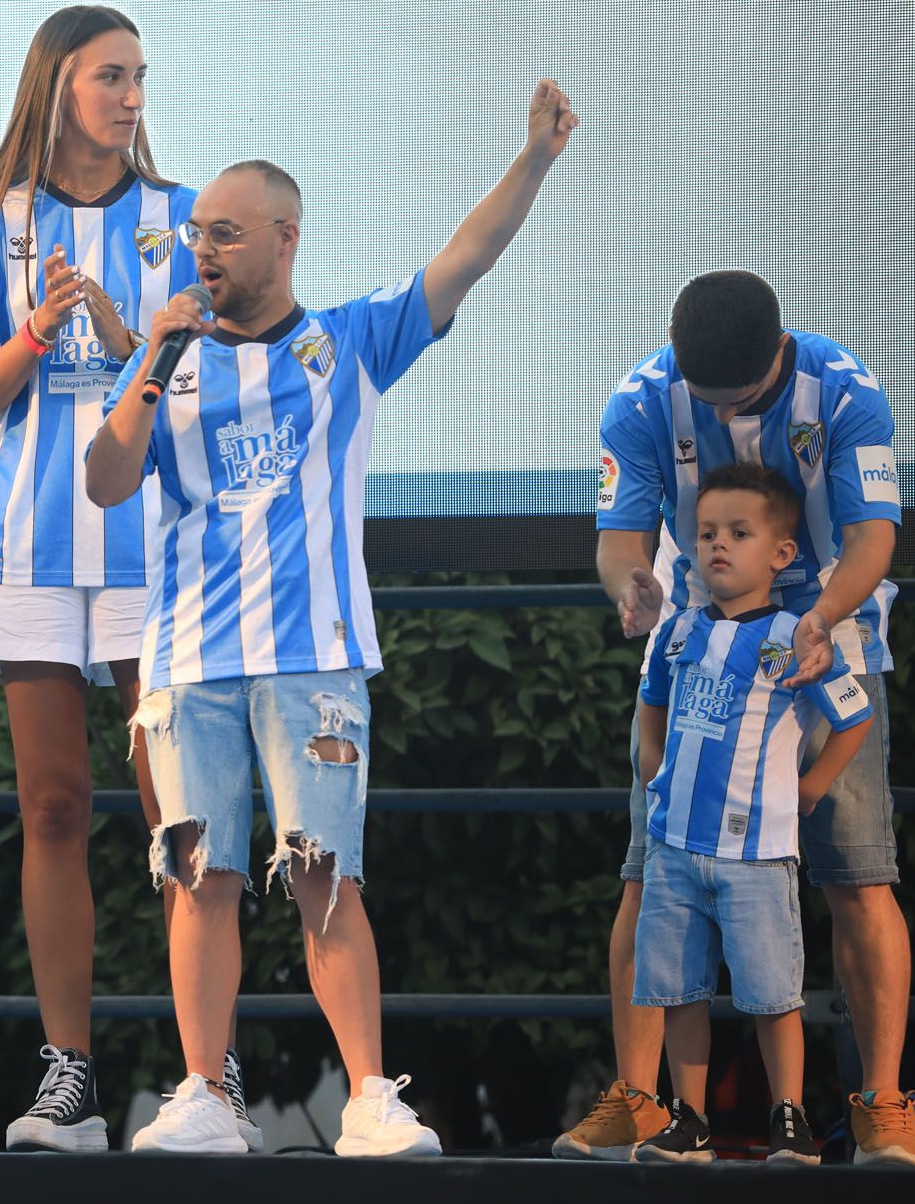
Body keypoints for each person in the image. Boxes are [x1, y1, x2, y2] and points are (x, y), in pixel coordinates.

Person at [87, 79, 578, 1155]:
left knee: (321, 873)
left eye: (223, 232)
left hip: (311, 657)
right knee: (200, 880)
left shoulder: (346, 343)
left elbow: (464, 257)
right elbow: (105, 479)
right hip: (185, 661)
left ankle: (368, 1094)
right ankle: (204, 1095)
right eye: (193, 233)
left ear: (283, 236)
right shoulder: (162, 357)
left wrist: (534, 157)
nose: (201, 249)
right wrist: (151, 355)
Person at [0, 4, 234, 1152]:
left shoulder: (180, 220)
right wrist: (36, 330)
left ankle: (206, 1076)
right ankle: (69, 1077)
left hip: (150, 546)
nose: (129, 97)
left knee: (177, 813)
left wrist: (123, 339)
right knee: (51, 806)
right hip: (22, 538)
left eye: (139, 78)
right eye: (110, 75)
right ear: (55, 83)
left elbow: (206, 384)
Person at [557, 269, 915, 1168]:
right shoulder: (642, 397)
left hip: (828, 643)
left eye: (740, 399)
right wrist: (630, 585)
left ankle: (880, 1103)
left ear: (775, 359)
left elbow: (874, 538)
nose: (717, 412)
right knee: (649, 878)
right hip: (701, 660)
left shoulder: (845, 387)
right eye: (703, 399)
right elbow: (619, 537)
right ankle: (642, 1103)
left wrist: (821, 621)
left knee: (858, 877)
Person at [629, 464, 872, 1166]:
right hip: (675, 847)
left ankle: (788, 1116)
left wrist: (814, 784)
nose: (718, 546)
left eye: (739, 532)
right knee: (678, 990)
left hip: (759, 854)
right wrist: (652, 765)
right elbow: (650, 698)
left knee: (772, 993)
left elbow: (852, 716)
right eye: (706, 533)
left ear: (782, 552)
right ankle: (690, 1119)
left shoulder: (799, 635)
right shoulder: (676, 632)